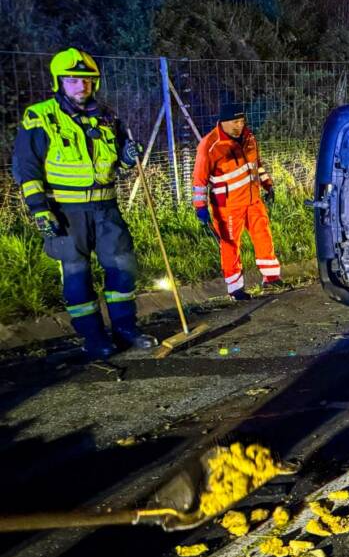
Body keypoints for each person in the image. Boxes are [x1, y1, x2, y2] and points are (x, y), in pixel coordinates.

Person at [11, 48, 156, 357]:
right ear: (59, 82)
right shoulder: (40, 117)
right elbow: (27, 168)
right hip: (66, 211)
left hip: (106, 209)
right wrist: (40, 210)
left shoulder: (107, 117)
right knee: (77, 275)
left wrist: (128, 156)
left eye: (87, 80)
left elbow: (120, 162)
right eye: (73, 80)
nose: (81, 86)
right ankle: (94, 338)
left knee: (123, 268)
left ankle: (125, 329)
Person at [191, 103, 283, 300]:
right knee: (230, 245)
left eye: (242, 121)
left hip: (253, 200)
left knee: (263, 236)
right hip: (228, 206)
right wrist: (200, 207)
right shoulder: (209, 145)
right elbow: (199, 180)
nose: (240, 125)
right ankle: (235, 288)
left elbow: (256, 164)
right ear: (223, 122)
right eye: (235, 122)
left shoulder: (249, 137)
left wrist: (267, 184)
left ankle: (271, 277)